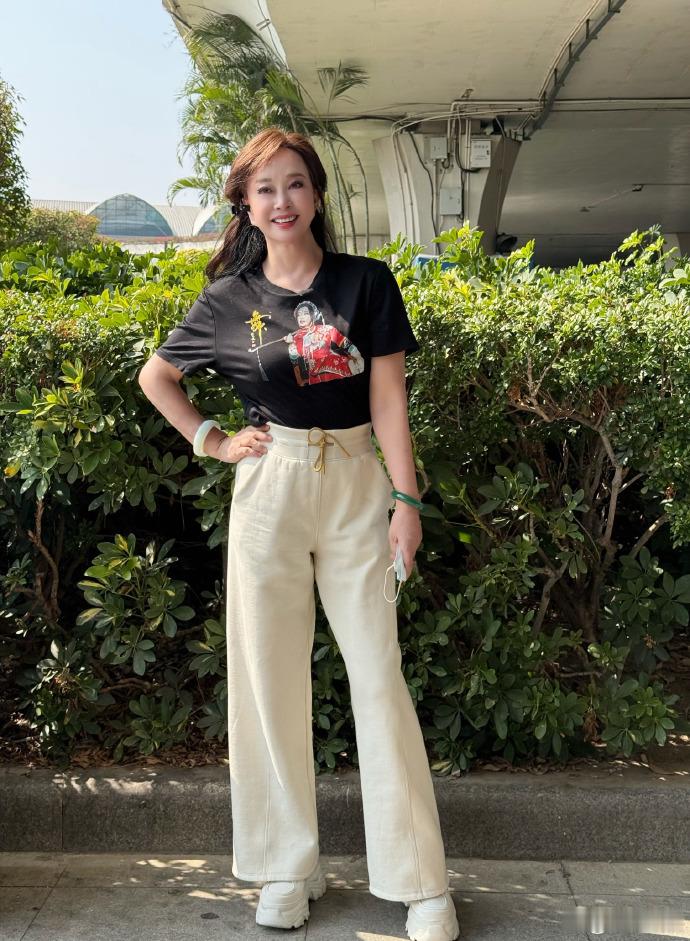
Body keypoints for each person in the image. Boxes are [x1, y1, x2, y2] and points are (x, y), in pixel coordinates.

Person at [137, 127, 460, 941]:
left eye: (295, 184)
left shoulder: (365, 282)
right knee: (268, 678)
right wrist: (212, 439)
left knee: (378, 675)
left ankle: (419, 881)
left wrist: (407, 500)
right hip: (269, 486)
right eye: (265, 189)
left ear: (316, 195)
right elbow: (157, 376)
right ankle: (287, 866)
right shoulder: (228, 300)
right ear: (245, 206)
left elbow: (388, 401)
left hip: (355, 484)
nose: (281, 201)